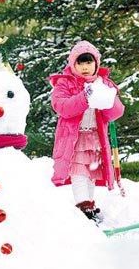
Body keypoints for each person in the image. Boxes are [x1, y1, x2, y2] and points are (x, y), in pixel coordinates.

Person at [47, 40, 125, 220]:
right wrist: (84, 97)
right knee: (79, 173)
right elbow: (62, 106)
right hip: (73, 139)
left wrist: (107, 98)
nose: (84, 67)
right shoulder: (65, 83)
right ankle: (83, 206)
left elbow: (116, 112)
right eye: (80, 62)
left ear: (96, 63)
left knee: (90, 173)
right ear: (72, 64)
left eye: (89, 62)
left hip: (95, 138)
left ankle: (89, 205)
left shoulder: (103, 84)